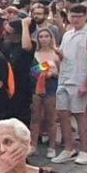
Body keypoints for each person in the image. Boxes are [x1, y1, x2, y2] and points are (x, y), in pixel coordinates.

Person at [31, 27, 61, 155]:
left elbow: (61, 72)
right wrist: (44, 69)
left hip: (52, 86)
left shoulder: (56, 54)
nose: (44, 39)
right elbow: (32, 71)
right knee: (35, 117)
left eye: (46, 36)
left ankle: (52, 146)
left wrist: (53, 73)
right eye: (41, 36)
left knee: (51, 117)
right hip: (36, 87)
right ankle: (32, 145)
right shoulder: (34, 53)